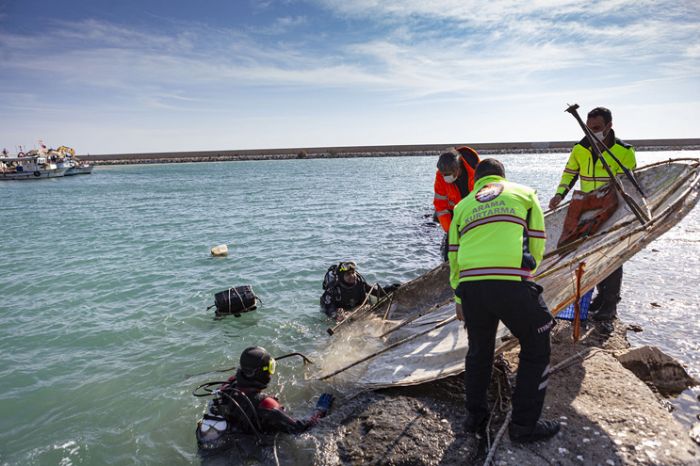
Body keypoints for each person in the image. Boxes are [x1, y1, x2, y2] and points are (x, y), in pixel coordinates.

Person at [448, 158, 559, 443]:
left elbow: (453, 255)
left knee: (479, 351)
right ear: (502, 177)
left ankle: (475, 418)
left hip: (472, 288)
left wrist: (459, 295)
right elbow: (537, 239)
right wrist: (526, 274)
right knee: (537, 343)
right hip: (510, 283)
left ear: (475, 182)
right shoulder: (523, 193)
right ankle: (523, 426)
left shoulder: (462, 206)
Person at [548, 106, 636, 322]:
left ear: (609, 126)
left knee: (612, 254)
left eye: (596, 128)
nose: (592, 132)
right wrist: (559, 195)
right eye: (589, 128)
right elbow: (570, 173)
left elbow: (631, 183)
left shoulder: (624, 151)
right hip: (586, 206)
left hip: (612, 208)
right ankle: (599, 296)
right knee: (589, 253)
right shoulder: (580, 148)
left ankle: (610, 305)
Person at [196, 346, 334, 449]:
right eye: (270, 368)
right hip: (252, 448)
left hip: (229, 437)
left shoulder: (229, 385)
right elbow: (299, 429)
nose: (271, 373)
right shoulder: (266, 404)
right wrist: (320, 411)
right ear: (260, 373)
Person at [433, 146, 480, 260]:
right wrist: (451, 232)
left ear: (458, 168)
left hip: (476, 211)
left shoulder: (478, 171)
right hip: (454, 211)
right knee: (449, 250)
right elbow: (440, 206)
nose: (445, 177)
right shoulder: (441, 175)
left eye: (448, 174)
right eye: (443, 174)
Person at [320, 261, 393, 320]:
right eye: (348, 274)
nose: (352, 276)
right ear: (341, 277)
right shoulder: (333, 289)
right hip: (338, 309)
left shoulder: (359, 283)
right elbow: (329, 308)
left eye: (353, 272)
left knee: (368, 306)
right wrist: (336, 315)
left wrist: (389, 289)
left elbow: (377, 293)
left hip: (355, 308)